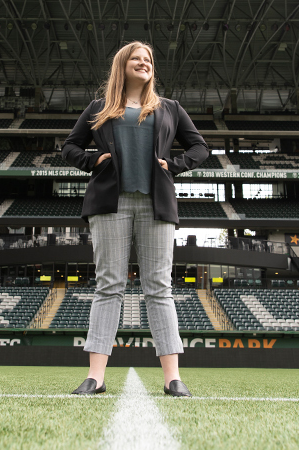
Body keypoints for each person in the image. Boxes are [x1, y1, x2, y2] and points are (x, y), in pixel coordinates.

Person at [61, 41, 208, 397]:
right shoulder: (100, 108)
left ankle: (173, 378)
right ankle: (95, 377)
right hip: (110, 204)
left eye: (148, 60)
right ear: (122, 66)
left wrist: (174, 166)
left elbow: (199, 147)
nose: (144, 63)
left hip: (155, 204)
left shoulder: (169, 108)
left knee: (159, 287)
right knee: (108, 285)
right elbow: (70, 147)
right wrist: (92, 161)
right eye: (136, 59)